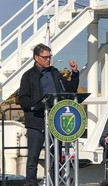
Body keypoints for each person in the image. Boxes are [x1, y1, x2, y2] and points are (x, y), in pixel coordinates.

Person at [19, 43, 79, 186]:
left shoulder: (55, 72)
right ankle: (31, 182)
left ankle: (56, 181)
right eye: (45, 57)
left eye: (49, 57)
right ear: (36, 57)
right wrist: (38, 104)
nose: (48, 60)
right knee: (33, 156)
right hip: (36, 121)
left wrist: (75, 73)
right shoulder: (28, 76)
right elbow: (23, 99)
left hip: (55, 120)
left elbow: (69, 90)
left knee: (56, 156)